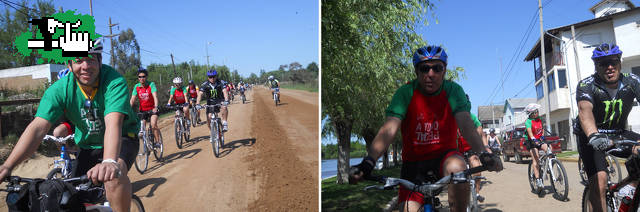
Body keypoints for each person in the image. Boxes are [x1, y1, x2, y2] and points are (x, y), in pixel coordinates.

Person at [349, 45, 502, 212]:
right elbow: (388, 130)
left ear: (444, 71)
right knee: (408, 209)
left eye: (437, 68)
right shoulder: (405, 93)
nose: (431, 74)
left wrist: (483, 153)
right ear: (417, 72)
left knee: (458, 168)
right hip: (414, 164)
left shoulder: (453, 91)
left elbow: (466, 125)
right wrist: (369, 161)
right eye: (424, 69)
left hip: (445, 157)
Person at [0, 38, 140, 212]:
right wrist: (8, 165)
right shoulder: (60, 89)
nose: (85, 66)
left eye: (90, 59)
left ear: (100, 61)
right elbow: (37, 129)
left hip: (123, 139)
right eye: (79, 60)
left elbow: (114, 123)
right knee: (69, 196)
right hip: (88, 145)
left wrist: (110, 161)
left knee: (113, 178)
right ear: (69, 64)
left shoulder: (114, 81)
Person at [575, 43, 640, 212]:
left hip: (618, 133)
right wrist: (593, 135)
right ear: (596, 66)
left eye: (613, 62)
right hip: (591, 137)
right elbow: (585, 110)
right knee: (600, 182)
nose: (609, 67)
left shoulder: (632, 81)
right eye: (603, 64)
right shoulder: (586, 85)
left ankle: (629, 188)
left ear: (620, 62)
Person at [456, 112, 488, 203]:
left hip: (470, 148)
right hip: (457, 149)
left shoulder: (472, 116)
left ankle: (477, 193)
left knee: (477, 169)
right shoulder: (453, 116)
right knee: (457, 174)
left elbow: (480, 131)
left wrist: (484, 147)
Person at [129, 67, 162, 147]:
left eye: (143, 76)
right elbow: (132, 100)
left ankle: (157, 142)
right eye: (140, 77)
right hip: (143, 110)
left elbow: (155, 97)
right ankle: (146, 145)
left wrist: (156, 107)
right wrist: (128, 110)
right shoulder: (136, 87)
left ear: (146, 77)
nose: (142, 78)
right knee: (141, 129)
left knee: (153, 124)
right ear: (138, 78)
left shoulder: (151, 84)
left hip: (152, 109)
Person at [523, 103, 549, 194]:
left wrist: (542, 137)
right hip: (530, 141)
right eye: (536, 111)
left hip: (538, 139)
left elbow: (541, 130)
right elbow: (530, 133)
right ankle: (538, 179)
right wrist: (534, 140)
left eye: (537, 111)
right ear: (532, 113)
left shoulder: (539, 120)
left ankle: (549, 165)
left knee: (548, 149)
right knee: (536, 158)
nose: (537, 112)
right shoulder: (528, 121)